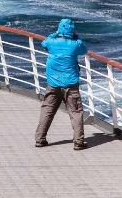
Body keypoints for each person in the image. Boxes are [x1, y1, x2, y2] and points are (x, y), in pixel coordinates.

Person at [34, 18, 88, 150]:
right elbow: (84, 49)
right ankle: (78, 142)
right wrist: (76, 35)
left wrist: (55, 33)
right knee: (75, 112)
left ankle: (40, 139)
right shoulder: (74, 44)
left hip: (53, 82)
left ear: (59, 29)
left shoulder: (52, 42)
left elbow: (44, 42)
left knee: (47, 110)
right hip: (70, 83)